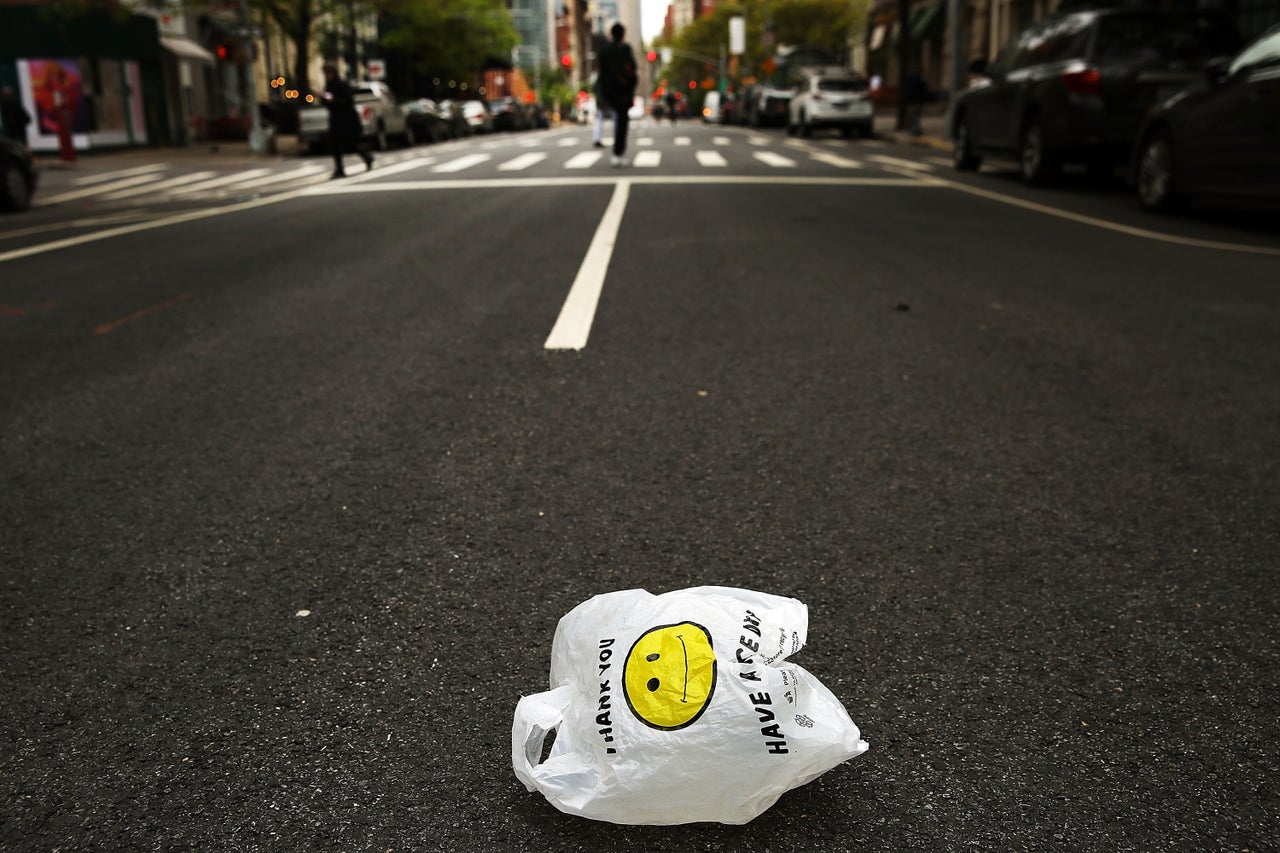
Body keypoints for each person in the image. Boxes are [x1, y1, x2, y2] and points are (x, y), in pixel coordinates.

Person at [320, 63, 372, 179]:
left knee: (351, 144)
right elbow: (327, 103)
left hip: (347, 119)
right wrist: (324, 99)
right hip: (335, 119)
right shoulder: (329, 86)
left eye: (327, 74)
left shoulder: (342, 84)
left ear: (333, 73)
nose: (326, 76)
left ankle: (367, 157)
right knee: (334, 145)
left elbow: (347, 101)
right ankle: (339, 169)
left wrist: (333, 100)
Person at [596, 22, 637, 166]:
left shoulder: (604, 51)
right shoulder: (625, 49)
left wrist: (602, 95)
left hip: (609, 93)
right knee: (621, 123)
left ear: (611, 34)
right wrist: (630, 91)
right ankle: (618, 152)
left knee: (610, 120)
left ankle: (617, 153)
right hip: (623, 93)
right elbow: (633, 71)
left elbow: (601, 75)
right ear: (623, 34)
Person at [903, 69, 929, 137]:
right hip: (918, 101)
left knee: (913, 116)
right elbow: (924, 89)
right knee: (916, 116)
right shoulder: (920, 82)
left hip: (912, 101)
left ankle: (915, 130)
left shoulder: (910, 83)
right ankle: (916, 130)